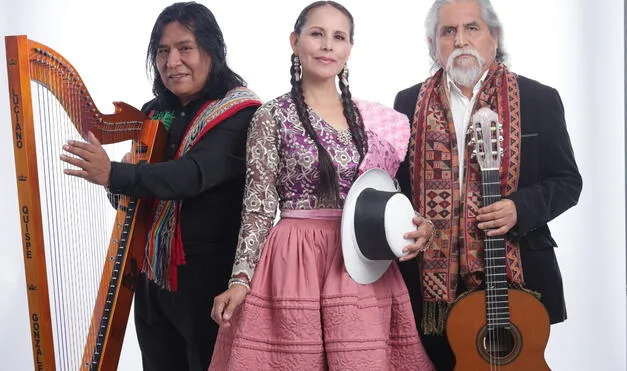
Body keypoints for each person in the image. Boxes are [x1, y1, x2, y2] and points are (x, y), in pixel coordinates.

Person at [208, 1, 434, 370]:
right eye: (317, 34)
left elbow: (385, 195)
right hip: (294, 260)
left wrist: (417, 223)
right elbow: (259, 204)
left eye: (339, 37)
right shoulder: (272, 116)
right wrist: (240, 279)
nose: (328, 45)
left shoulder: (373, 119)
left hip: (361, 260)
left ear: (349, 49)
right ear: (295, 41)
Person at [60, 2, 261, 370]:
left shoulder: (241, 113)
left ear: (212, 51)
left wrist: (114, 175)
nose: (172, 62)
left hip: (210, 282)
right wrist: (116, 183)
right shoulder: (153, 113)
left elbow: (191, 175)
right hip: (151, 275)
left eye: (185, 48)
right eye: (163, 51)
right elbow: (139, 191)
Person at [393, 0, 583, 369]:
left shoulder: (538, 99)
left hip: (517, 274)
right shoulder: (408, 102)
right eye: (448, 31)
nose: (460, 40)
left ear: (494, 36)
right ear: (434, 44)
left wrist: (520, 208)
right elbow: (396, 190)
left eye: (472, 28)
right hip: (431, 285)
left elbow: (567, 182)